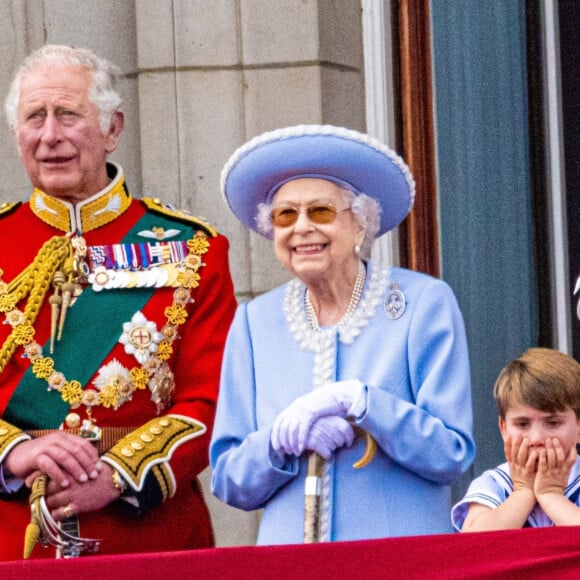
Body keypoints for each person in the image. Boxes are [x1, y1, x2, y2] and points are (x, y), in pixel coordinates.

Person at [0, 45, 237, 560]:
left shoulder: (193, 248)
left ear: (112, 129)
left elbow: (214, 400)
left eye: (68, 115)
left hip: (149, 537)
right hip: (12, 536)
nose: (50, 136)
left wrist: (116, 476)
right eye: (34, 118)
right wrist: (18, 452)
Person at [210, 124, 476, 543]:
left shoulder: (423, 304)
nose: (301, 228)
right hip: (290, 566)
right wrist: (278, 441)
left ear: (360, 225)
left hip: (399, 561)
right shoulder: (253, 323)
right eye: (285, 215)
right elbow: (228, 479)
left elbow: (450, 454)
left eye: (320, 212)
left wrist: (365, 403)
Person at [452, 347, 580, 532]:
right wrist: (522, 492)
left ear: (578, 426)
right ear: (504, 429)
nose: (537, 438)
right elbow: (473, 541)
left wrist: (551, 495)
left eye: (553, 423)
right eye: (522, 424)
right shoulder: (495, 483)